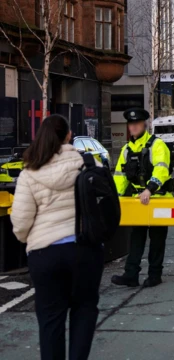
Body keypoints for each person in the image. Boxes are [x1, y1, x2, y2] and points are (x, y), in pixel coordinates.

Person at [11, 115, 104, 360]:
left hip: (46, 254)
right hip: (84, 250)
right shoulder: (86, 163)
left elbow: (21, 223)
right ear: (68, 136)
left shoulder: (29, 172)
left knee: (50, 319)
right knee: (84, 310)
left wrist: (30, 240)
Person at [112, 108, 174, 288]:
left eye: (137, 124)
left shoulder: (157, 145)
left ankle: (155, 275)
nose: (133, 127)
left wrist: (149, 189)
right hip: (138, 200)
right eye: (131, 124)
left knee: (157, 238)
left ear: (144, 125)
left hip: (159, 198)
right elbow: (120, 177)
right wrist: (116, 197)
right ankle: (131, 275)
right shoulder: (126, 149)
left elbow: (161, 170)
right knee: (136, 237)